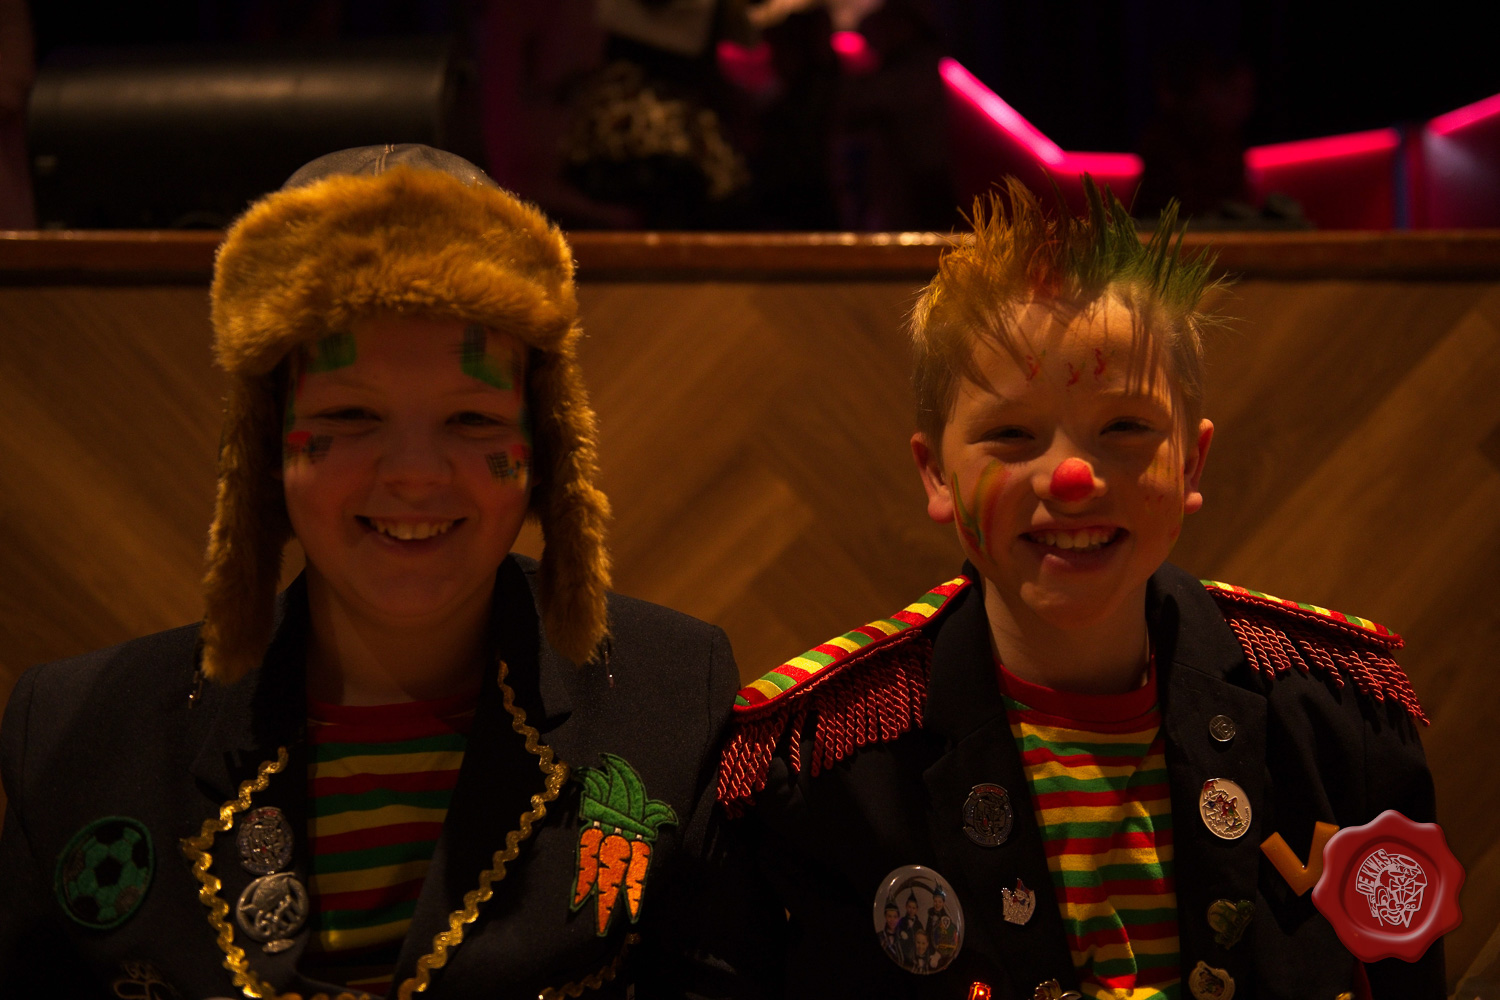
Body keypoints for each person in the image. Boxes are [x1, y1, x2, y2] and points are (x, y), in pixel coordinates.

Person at [0, 144, 773, 999]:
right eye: (351, 414)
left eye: (471, 418)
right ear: (266, 446)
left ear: (546, 445)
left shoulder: (674, 700)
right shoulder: (72, 736)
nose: (414, 474)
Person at [716, 178, 1440, 998]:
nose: (1071, 477)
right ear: (936, 473)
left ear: (1192, 462)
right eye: (1011, 433)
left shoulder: (1339, 718)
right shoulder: (832, 770)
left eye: (1125, 427)